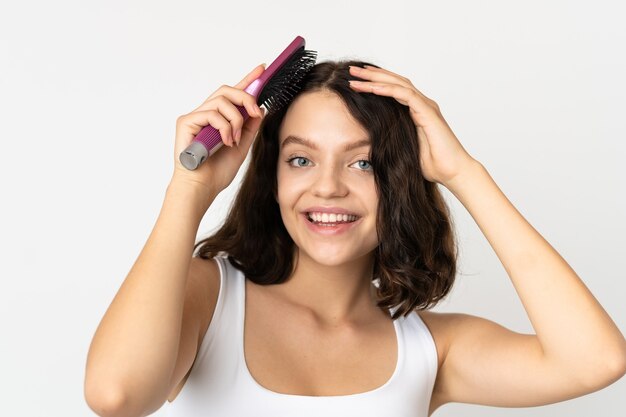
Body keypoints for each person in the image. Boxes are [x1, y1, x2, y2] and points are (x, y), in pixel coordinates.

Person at [85, 60, 626, 417]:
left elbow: (595, 361)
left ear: (401, 183)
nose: (327, 187)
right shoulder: (208, 299)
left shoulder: (429, 350)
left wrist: (464, 173)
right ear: (272, 179)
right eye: (301, 159)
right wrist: (189, 187)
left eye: (363, 163)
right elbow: (116, 395)